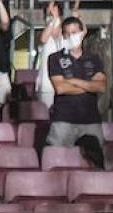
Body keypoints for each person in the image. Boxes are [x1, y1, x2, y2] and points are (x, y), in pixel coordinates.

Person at [46, 16, 108, 147]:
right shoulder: (55, 58)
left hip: (91, 120)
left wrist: (73, 81)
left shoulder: (94, 58)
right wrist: (89, 85)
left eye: (74, 33)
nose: (71, 36)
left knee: (96, 162)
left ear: (81, 33)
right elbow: (60, 88)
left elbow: (101, 87)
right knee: (58, 161)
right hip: (63, 120)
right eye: (67, 34)